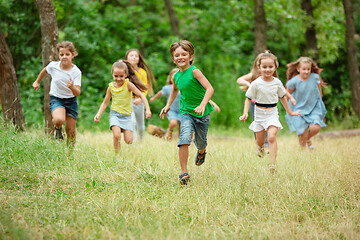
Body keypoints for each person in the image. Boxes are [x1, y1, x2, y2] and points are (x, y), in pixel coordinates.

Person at [160, 40, 214, 185]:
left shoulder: (195, 71)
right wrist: (168, 105)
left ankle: (202, 152)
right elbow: (175, 90)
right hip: (186, 112)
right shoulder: (175, 76)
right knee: (184, 138)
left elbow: (210, 89)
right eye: (177, 55)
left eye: (184, 54)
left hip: (202, 113)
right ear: (173, 59)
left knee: (201, 142)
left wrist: (203, 105)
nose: (180, 57)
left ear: (190, 56)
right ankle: (184, 172)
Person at [239, 51, 302, 173]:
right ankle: (260, 148)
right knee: (260, 142)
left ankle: (272, 164)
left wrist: (290, 112)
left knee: (272, 137)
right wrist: (245, 113)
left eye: (270, 67)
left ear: (275, 67)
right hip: (259, 114)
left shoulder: (277, 83)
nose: (267, 69)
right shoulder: (256, 83)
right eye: (264, 67)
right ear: (259, 67)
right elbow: (248, 99)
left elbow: (283, 98)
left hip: (272, 113)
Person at [94, 60, 151, 154]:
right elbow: (105, 102)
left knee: (129, 141)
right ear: (112, 74)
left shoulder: (128, 85)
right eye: (116, 76)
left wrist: (147, 109)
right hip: (115, 114)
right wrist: (99, 114)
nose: (118, 79)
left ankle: (124, 131)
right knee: (116, 136)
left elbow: (141, 95)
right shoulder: (111, 87)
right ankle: (117, 155)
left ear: (126, 75)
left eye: (121, 76)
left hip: (127, 116)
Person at [33, 41, 81, 146]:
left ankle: (70, 156)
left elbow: (77, 93)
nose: (64, 57)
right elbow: (45, 71)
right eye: (61, 54)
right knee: (59, 119)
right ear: (58, 55)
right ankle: (58, 129)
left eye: (67, 54)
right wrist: (37, 81)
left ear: (73, 55)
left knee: (71, 131)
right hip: (57, 99)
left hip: (71, 101)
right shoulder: (53, 66)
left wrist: (72, 87)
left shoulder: (76, 72)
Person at [285, 57, 327, 149]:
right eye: (304, 69)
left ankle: (306, 139)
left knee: (315, 128)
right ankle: (303, 150)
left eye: (308, 69)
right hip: (298, 108)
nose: (306, 71)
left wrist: (319, 100)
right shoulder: (294, 81)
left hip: (313, 107)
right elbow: (287, 94)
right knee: (301, 132)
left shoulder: (314, 78)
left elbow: (319, 91)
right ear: (298, 69)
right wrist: (289, 105)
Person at [125, 48, 156, 141]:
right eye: (131, 55)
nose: (134, 58)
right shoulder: (124, 70)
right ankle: (133, 144)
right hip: (128, 100)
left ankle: (140, 142)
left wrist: (140, 98)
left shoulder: (142, 72)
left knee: (141, 126)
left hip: (140, 101)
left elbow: (145, 88)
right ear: (126, 58)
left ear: (139, 59)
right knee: (132, 122)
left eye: (136, 56)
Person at [150, 68, 181, 140]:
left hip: (182, 110)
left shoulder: (183, 87)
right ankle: (170, 132)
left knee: (181, 126)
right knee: (173, 122)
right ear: (170, 78)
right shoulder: (167, 88)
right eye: (174, 76)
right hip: (172, 110)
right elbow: (160, 93)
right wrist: (154, 98)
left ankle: (180, 138)